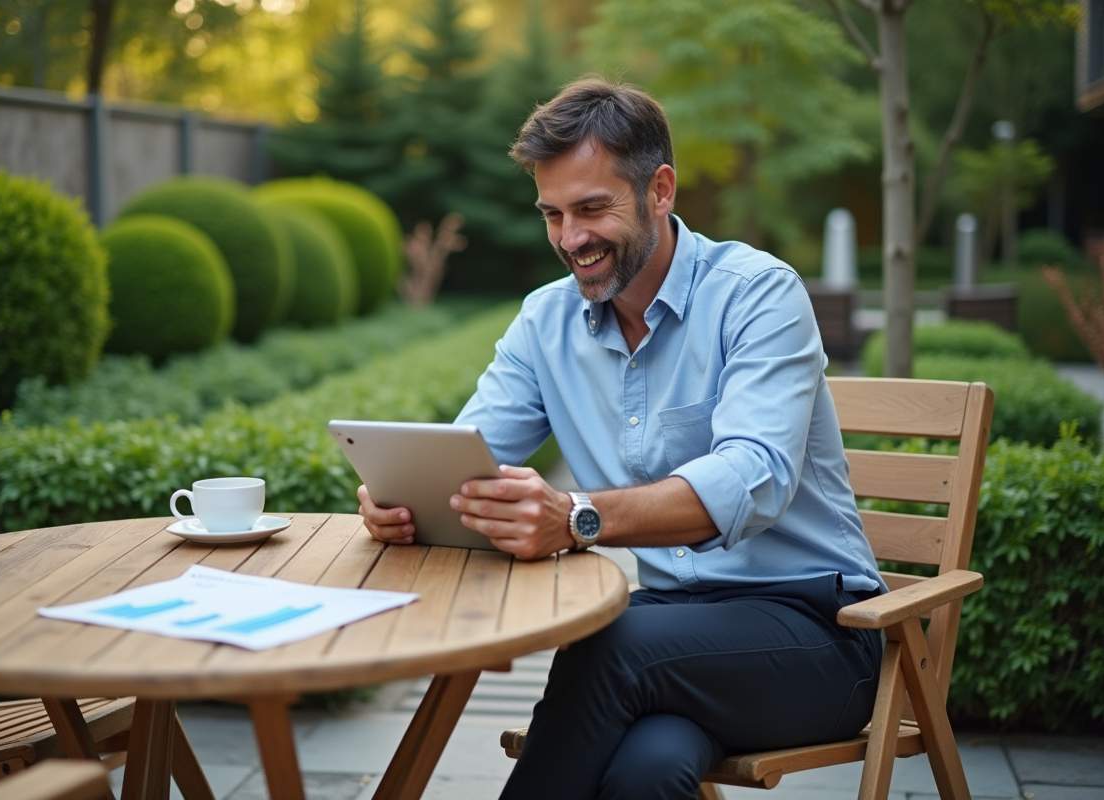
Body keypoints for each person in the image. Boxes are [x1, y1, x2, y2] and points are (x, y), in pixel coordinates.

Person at [357, 77, 886, 800]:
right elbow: (466, 458)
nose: (570, 239)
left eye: (591, 209)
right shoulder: (546, 323)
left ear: (660, 191)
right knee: (646, 774)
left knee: (605, 643)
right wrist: (402, 497)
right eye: (552, 214)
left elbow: (754, 476)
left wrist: (578, 516)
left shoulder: (759, 295)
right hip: (674, 637)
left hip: (817, 634)